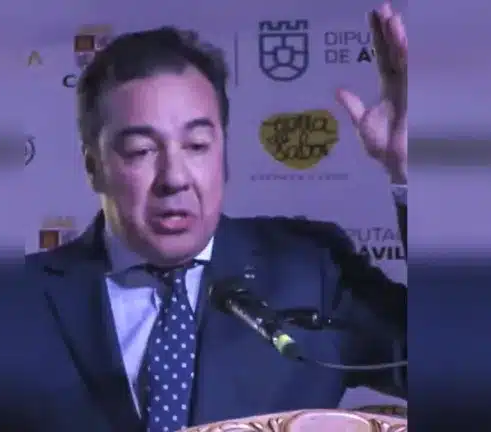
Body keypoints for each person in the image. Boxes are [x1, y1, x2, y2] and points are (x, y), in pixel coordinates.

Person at [25, 3, 407, 431]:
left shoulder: (312, 269)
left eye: (197, 146)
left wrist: (413, 171)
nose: (174, 178)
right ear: (94, 166)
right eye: (140, 151)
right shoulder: (19, 299)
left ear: (223, 153)